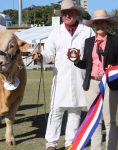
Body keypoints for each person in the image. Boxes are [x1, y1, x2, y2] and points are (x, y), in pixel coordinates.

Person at [32, 0, 94, 150]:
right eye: (65, 13)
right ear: (61, 16)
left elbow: (92, 55)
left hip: (79, 77)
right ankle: (51, 143)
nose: (67, 15)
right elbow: (48, 54)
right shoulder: (55, 32)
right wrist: (40, 57)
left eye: (71, 12)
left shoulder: (87, 31)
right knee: (56, 111)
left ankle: (70, 142)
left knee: (75, 111)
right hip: (60, 78)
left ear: (77, 13)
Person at [70, 10, 118, 150]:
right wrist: (77, 60)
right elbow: (86, 63)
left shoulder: (116, 41)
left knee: (109, 121)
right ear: (93, 25)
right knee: (94, 121)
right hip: (92, 84)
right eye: (97, 23)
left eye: (102, 22)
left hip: (110, 84)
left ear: (107, 24)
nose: (100, 25)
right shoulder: (88, 42)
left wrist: (112, 68)